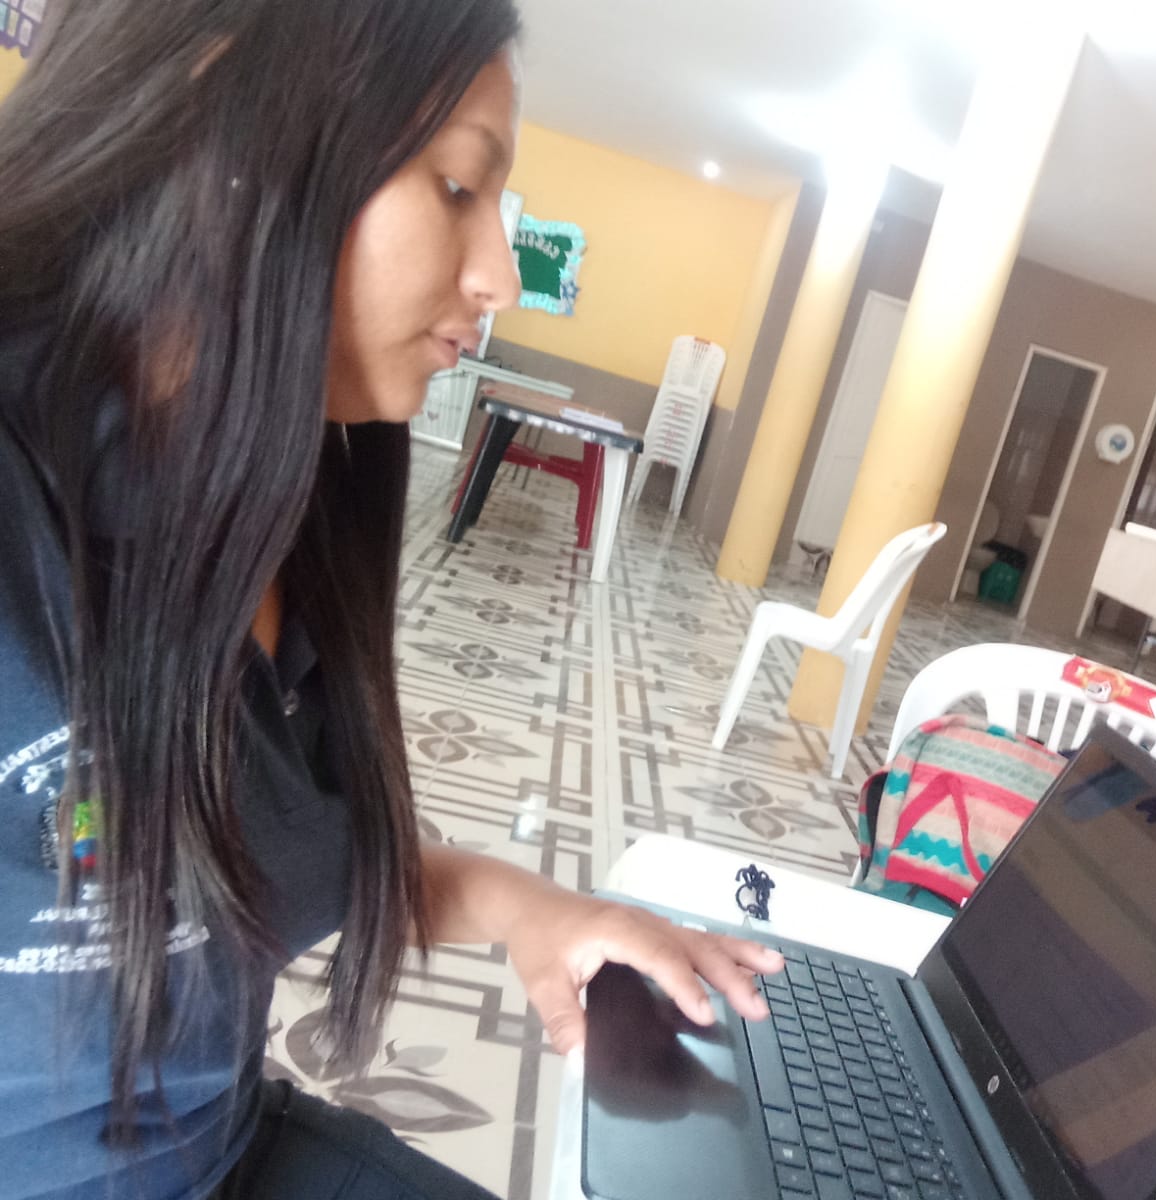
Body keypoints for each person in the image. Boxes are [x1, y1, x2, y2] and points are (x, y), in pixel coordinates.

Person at [0, 3, 780, 1196]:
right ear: (228, 122)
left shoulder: (294, 493)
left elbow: (278, 861)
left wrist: (533, 909)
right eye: (457, 185)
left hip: (221, 1150)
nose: (499, 276)